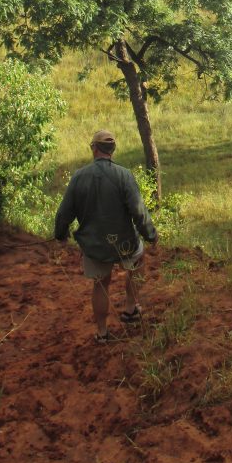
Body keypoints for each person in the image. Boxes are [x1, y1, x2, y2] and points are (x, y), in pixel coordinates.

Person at [54, 129, 158, 343]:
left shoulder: (79, 177)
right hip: (125, 242)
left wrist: (60, 235)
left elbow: (64, 214)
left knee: (100, 283)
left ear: (94, 149)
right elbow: (138, 211)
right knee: (137, 262)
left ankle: (102, 332)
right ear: (113, 150)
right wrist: (150, 235)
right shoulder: (124, 175)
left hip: (94, 246)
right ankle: (130, 309)